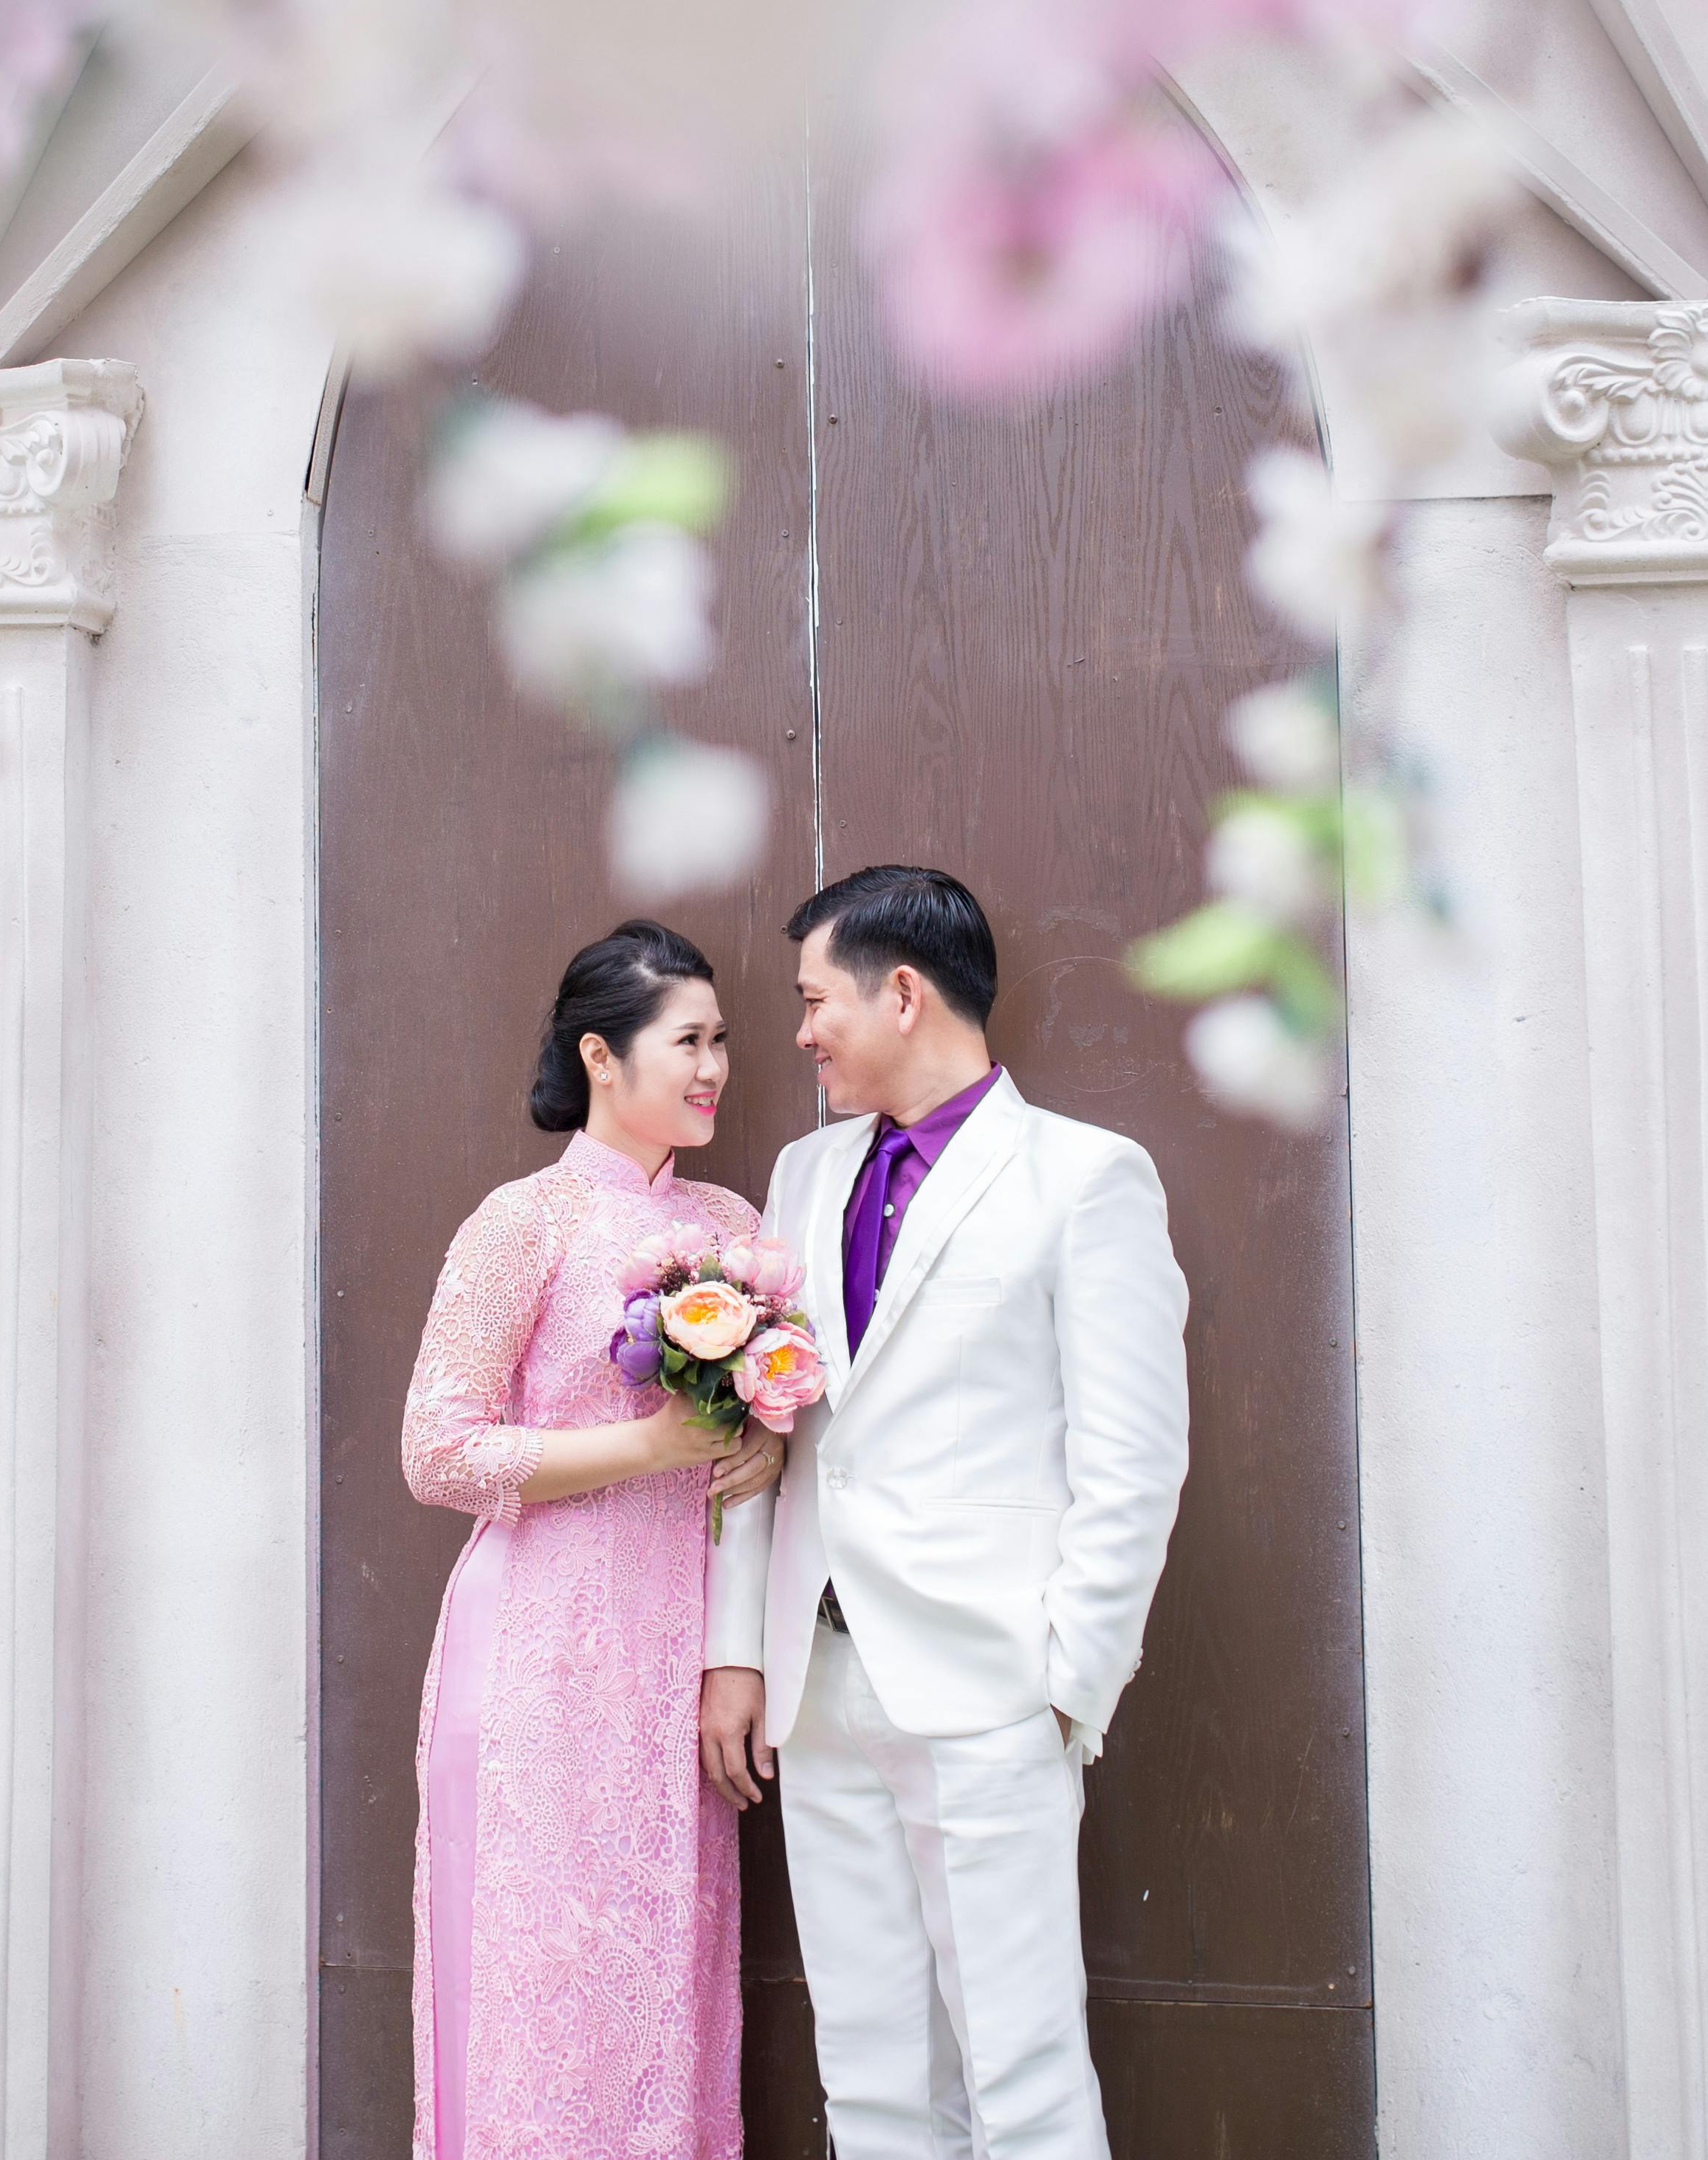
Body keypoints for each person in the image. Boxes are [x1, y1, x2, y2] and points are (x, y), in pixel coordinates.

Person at [698, 865, 1193, 2160]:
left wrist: (1069, 1680)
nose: (799, 1032)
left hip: (991, 1690)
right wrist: (742, 1651)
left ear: (902, 993)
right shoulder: (804, 1174)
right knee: (868, 2075)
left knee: (1023, 2073)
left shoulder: (1085, 1179)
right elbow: (765, 1431)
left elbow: (1134, 1457)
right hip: (820, 1691)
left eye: (816, 1000)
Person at [399, 919, 791, 2160]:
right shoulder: (523, 1222)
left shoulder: (734, 1225)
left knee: (666, 1980)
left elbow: (764, 1440)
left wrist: (768, 1442)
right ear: (601, 1057)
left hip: (671, 1666)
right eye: (690, 1041)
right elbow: (436, 1451)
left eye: (723, 1039)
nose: (717, 1065)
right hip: (536, 1673)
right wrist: (650, 1448)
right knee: (536, 2001)